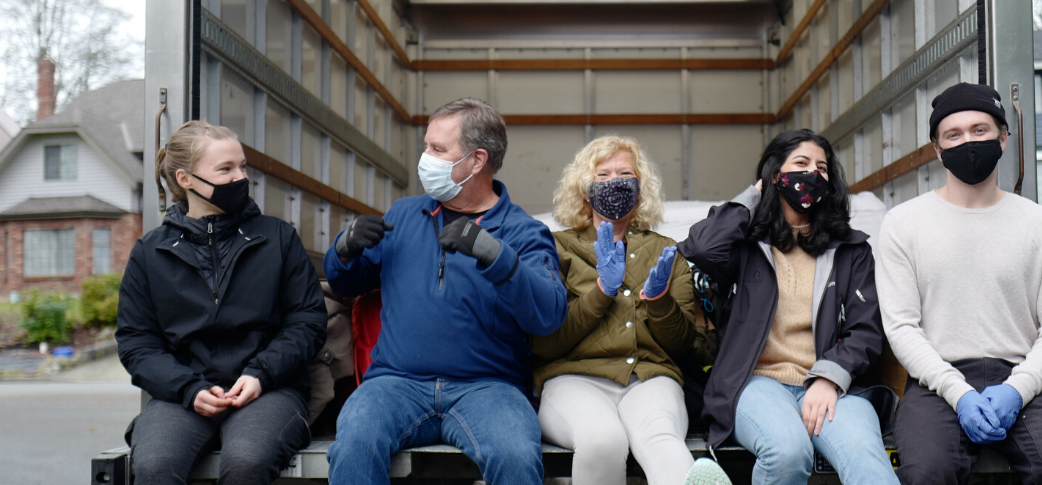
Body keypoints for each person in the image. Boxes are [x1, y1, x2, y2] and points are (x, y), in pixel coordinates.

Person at [324, 97, 568, 484]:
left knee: (517, 458)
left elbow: (550, 313)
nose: (426, 158)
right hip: (396, 382)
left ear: (476, 161)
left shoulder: (523, 231)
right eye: (426, 146)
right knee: (353, 444)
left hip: (488, 387)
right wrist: (343, 249)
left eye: (438, 149)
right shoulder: (404, 214)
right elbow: (344, 283)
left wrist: (494, 254)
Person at [874, 82, 1042, 485]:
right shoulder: (902, 224)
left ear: (1003, 137)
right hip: (936, 384)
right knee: (928, 473)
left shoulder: (1040, 225)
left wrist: (1018, 390)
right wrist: (958, 393)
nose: (968, 141)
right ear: (937, 149)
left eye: (979, 130)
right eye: (954, 134)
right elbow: (902, 328)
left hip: (1026, 379)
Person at [679, 130, 899, 485]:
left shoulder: (851, 250)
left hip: (830, 387)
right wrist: (753, 195)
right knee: (788, 452)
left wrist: (829, 377)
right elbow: (702, 248)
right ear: (775, 175)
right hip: (755, 385)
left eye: (822, 168)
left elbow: (866, 331)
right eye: (801, 163)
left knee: (869, 462)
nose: (814, 173)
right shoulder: (746, 245)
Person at [116, 121, 328, 485]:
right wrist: (188, 388)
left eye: (242, 167)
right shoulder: (150, 252)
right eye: (225, 169)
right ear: (185, 179)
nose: (240, 178)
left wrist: (261, 373)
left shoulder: (278, 238)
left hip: (270, 390)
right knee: (154, 466)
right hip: (184, 395)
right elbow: (137, 343)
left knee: (246, 462)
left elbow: (307, 322)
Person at [532, 135, 698, 484]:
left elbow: (683, 346)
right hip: (573, 378)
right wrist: (602, 291)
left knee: (661, 440)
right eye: (603, 175)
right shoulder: (555, 248)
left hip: (650, 378)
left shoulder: (665, 251)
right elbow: (544, 343)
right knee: (601, 440)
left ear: (640, 189)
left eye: (625, 174)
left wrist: (659, 302)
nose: (615, 183)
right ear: (584, 188)